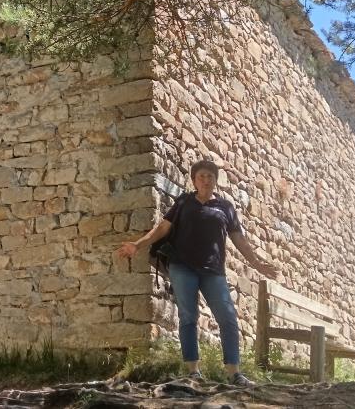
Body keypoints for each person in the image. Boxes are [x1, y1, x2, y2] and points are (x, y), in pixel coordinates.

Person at [116, 160, 279, 386]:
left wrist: (256, 263)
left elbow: (238, 238)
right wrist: (138, 244)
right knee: (188, 317)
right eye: (201, 175)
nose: (206, 179)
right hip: (182, 266)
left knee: (228, 318)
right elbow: (163, 228)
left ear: (215, 181)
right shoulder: (184, 202)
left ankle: (234, 373)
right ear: (194, 180)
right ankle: (193, 372)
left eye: (210, 176)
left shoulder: (225, 207)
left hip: (213, 271)